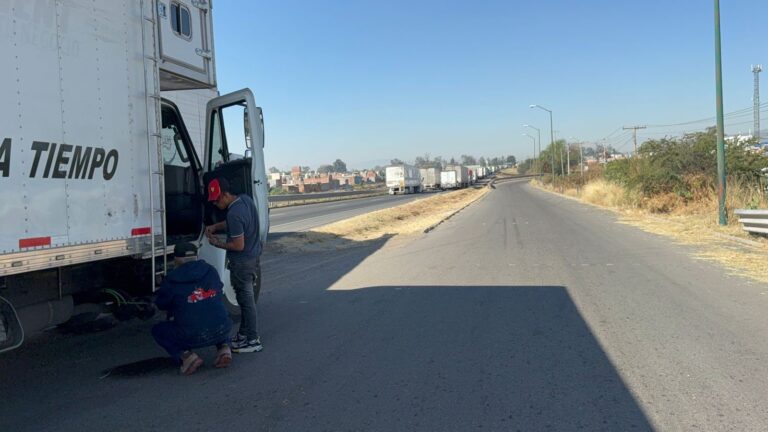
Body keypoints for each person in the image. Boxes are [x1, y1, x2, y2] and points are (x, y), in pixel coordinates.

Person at [152, 242, 233, 375]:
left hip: (191, 335)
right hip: (222, 328)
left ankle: (187, 356)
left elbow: (162, 304)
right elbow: (219, 290)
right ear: (196, 255)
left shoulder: (172, 279)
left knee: (159, 330)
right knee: (215, 314)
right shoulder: (211, 270)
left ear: (176, 258)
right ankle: (224, 348)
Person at [205, 177, 263, 353]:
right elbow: (234, 223)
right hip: (253, 257)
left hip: (242, 263)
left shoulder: (233, 214)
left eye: (216, 200)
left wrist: (217, 243)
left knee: (246, 302)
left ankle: (253, 340)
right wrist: (216, 226)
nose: (215, 204)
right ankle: (243, 335)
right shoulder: (245, 200)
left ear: (225, 195)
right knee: (246, 301)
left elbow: (238, 245)